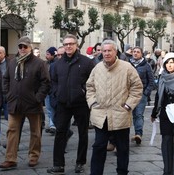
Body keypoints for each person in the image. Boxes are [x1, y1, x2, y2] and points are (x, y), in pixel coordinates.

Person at [86, 39, 143, 175]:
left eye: (109, 50)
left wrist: (128, 105)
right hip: (101, 115)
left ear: (115, 51)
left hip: (121, 115)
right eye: (104, 51)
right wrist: (93, 103)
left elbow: (137, 87)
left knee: (123, 148)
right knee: (99, 146)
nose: (106, 53)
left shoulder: (127, 67)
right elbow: (90, 87)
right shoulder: (97, 68)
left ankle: (122, 172)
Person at [0, 36, 50, 169]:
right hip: (14, 103)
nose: (22, 49)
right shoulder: (12, 62)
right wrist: (7, 94)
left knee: (35, 132)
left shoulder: (39, 63)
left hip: (32, 103)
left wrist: (37, 98)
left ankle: (33, 156)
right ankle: (10, 158)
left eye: (25, 47)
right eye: (20, 46)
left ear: (30, 48)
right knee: (12, 130)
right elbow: (6, 79)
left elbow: (45, 82)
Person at [47, 34, 94, 174]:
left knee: (83, 134)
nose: (68, 46)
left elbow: (92, 82)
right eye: (66, 44)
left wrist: (85, 93)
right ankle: (58, 164)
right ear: (63, 45)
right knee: (60, 133)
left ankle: (80, 162)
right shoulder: (57, 65)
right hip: (62, 104)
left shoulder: (86, 62)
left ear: (76, 45)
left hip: (81, 104)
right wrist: (55, 96)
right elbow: (53, 82)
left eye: (71, 44)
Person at [130, 47, 154, 144]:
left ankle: (138, 134)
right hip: (128, 94)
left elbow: (151, 81)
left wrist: (146, 93)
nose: (135, 53)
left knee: (138, 114)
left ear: (141, 54)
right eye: (134, 52)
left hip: (141, 94)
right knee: (127, 115)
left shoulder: (146, 65)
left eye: (138, 52)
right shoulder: (127, 64)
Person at [45, 46, 57, 136]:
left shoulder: (56, 64)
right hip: (46, 90)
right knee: (49, 109)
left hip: (53, 90)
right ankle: (51, 124)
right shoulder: (45, 64)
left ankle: (53, 125)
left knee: (53, 109)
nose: (46, 56)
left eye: (48, 54)